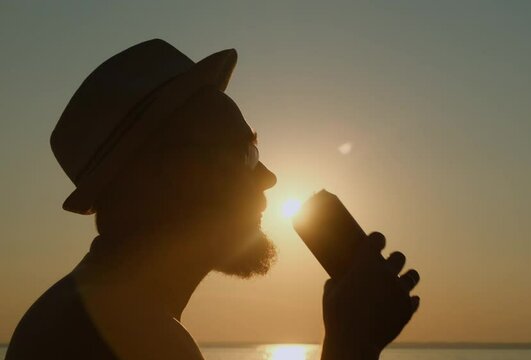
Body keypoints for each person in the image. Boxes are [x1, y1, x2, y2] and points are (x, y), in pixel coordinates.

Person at [6, 39, 421, 360]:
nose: (268, 176)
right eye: (246, 154)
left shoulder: (89, 314)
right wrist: (351, 348)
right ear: (170, 177)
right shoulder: (117, 334)